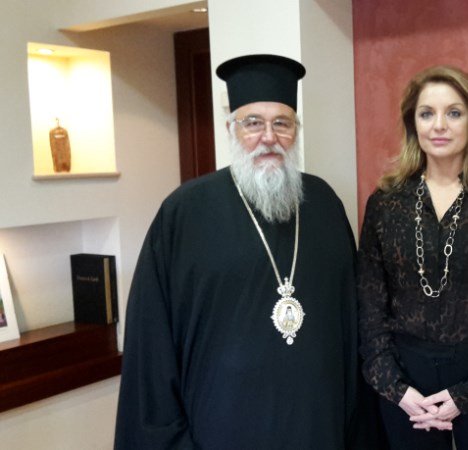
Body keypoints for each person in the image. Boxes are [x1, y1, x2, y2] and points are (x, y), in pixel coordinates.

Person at [115, 54, 383, 449]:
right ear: (231, 128)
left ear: (295, 130)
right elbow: (151, 343)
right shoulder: (185, 212)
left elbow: (352, 325)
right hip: (222, 427)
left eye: (282, 123)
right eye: (253, 123)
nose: (269, 137)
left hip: (316, 425)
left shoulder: (324, 204)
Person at [357, 65, 468, 450]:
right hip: (407, 390)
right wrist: (395, 388)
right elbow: (369, 310)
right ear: (413, 123)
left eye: (454, 113)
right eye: (427, 113)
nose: (439, 125)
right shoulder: (385, 204)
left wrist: (466, 394)